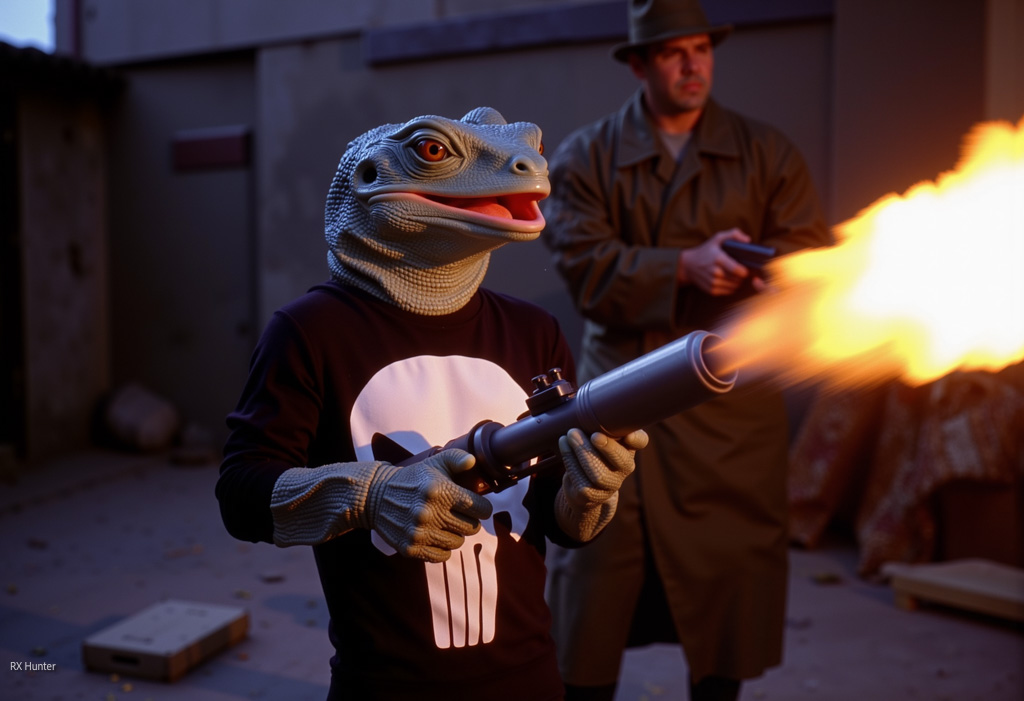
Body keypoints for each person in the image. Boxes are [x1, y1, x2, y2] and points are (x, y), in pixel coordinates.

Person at [214, 106, 646, 700]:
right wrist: (370, 494)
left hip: (531, 676)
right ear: (368, 179)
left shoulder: (533, 330)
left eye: (529, 147)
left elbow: (556, 521)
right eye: (437, 152)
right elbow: (241, 494)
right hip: (384, 681)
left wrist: (588, 490)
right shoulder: (308, 331)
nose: (524, 164)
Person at [541, 1, 832, 700]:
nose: (692, 64)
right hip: (621, 401)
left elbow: (810, 263)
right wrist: (683, 266)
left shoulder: (766, 151)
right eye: (673, 52)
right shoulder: (586, 155)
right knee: (593, 589)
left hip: (728, 417)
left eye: (702, 48)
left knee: (724, 603)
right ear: (639, 63)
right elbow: (583, 265)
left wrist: (771, 271)